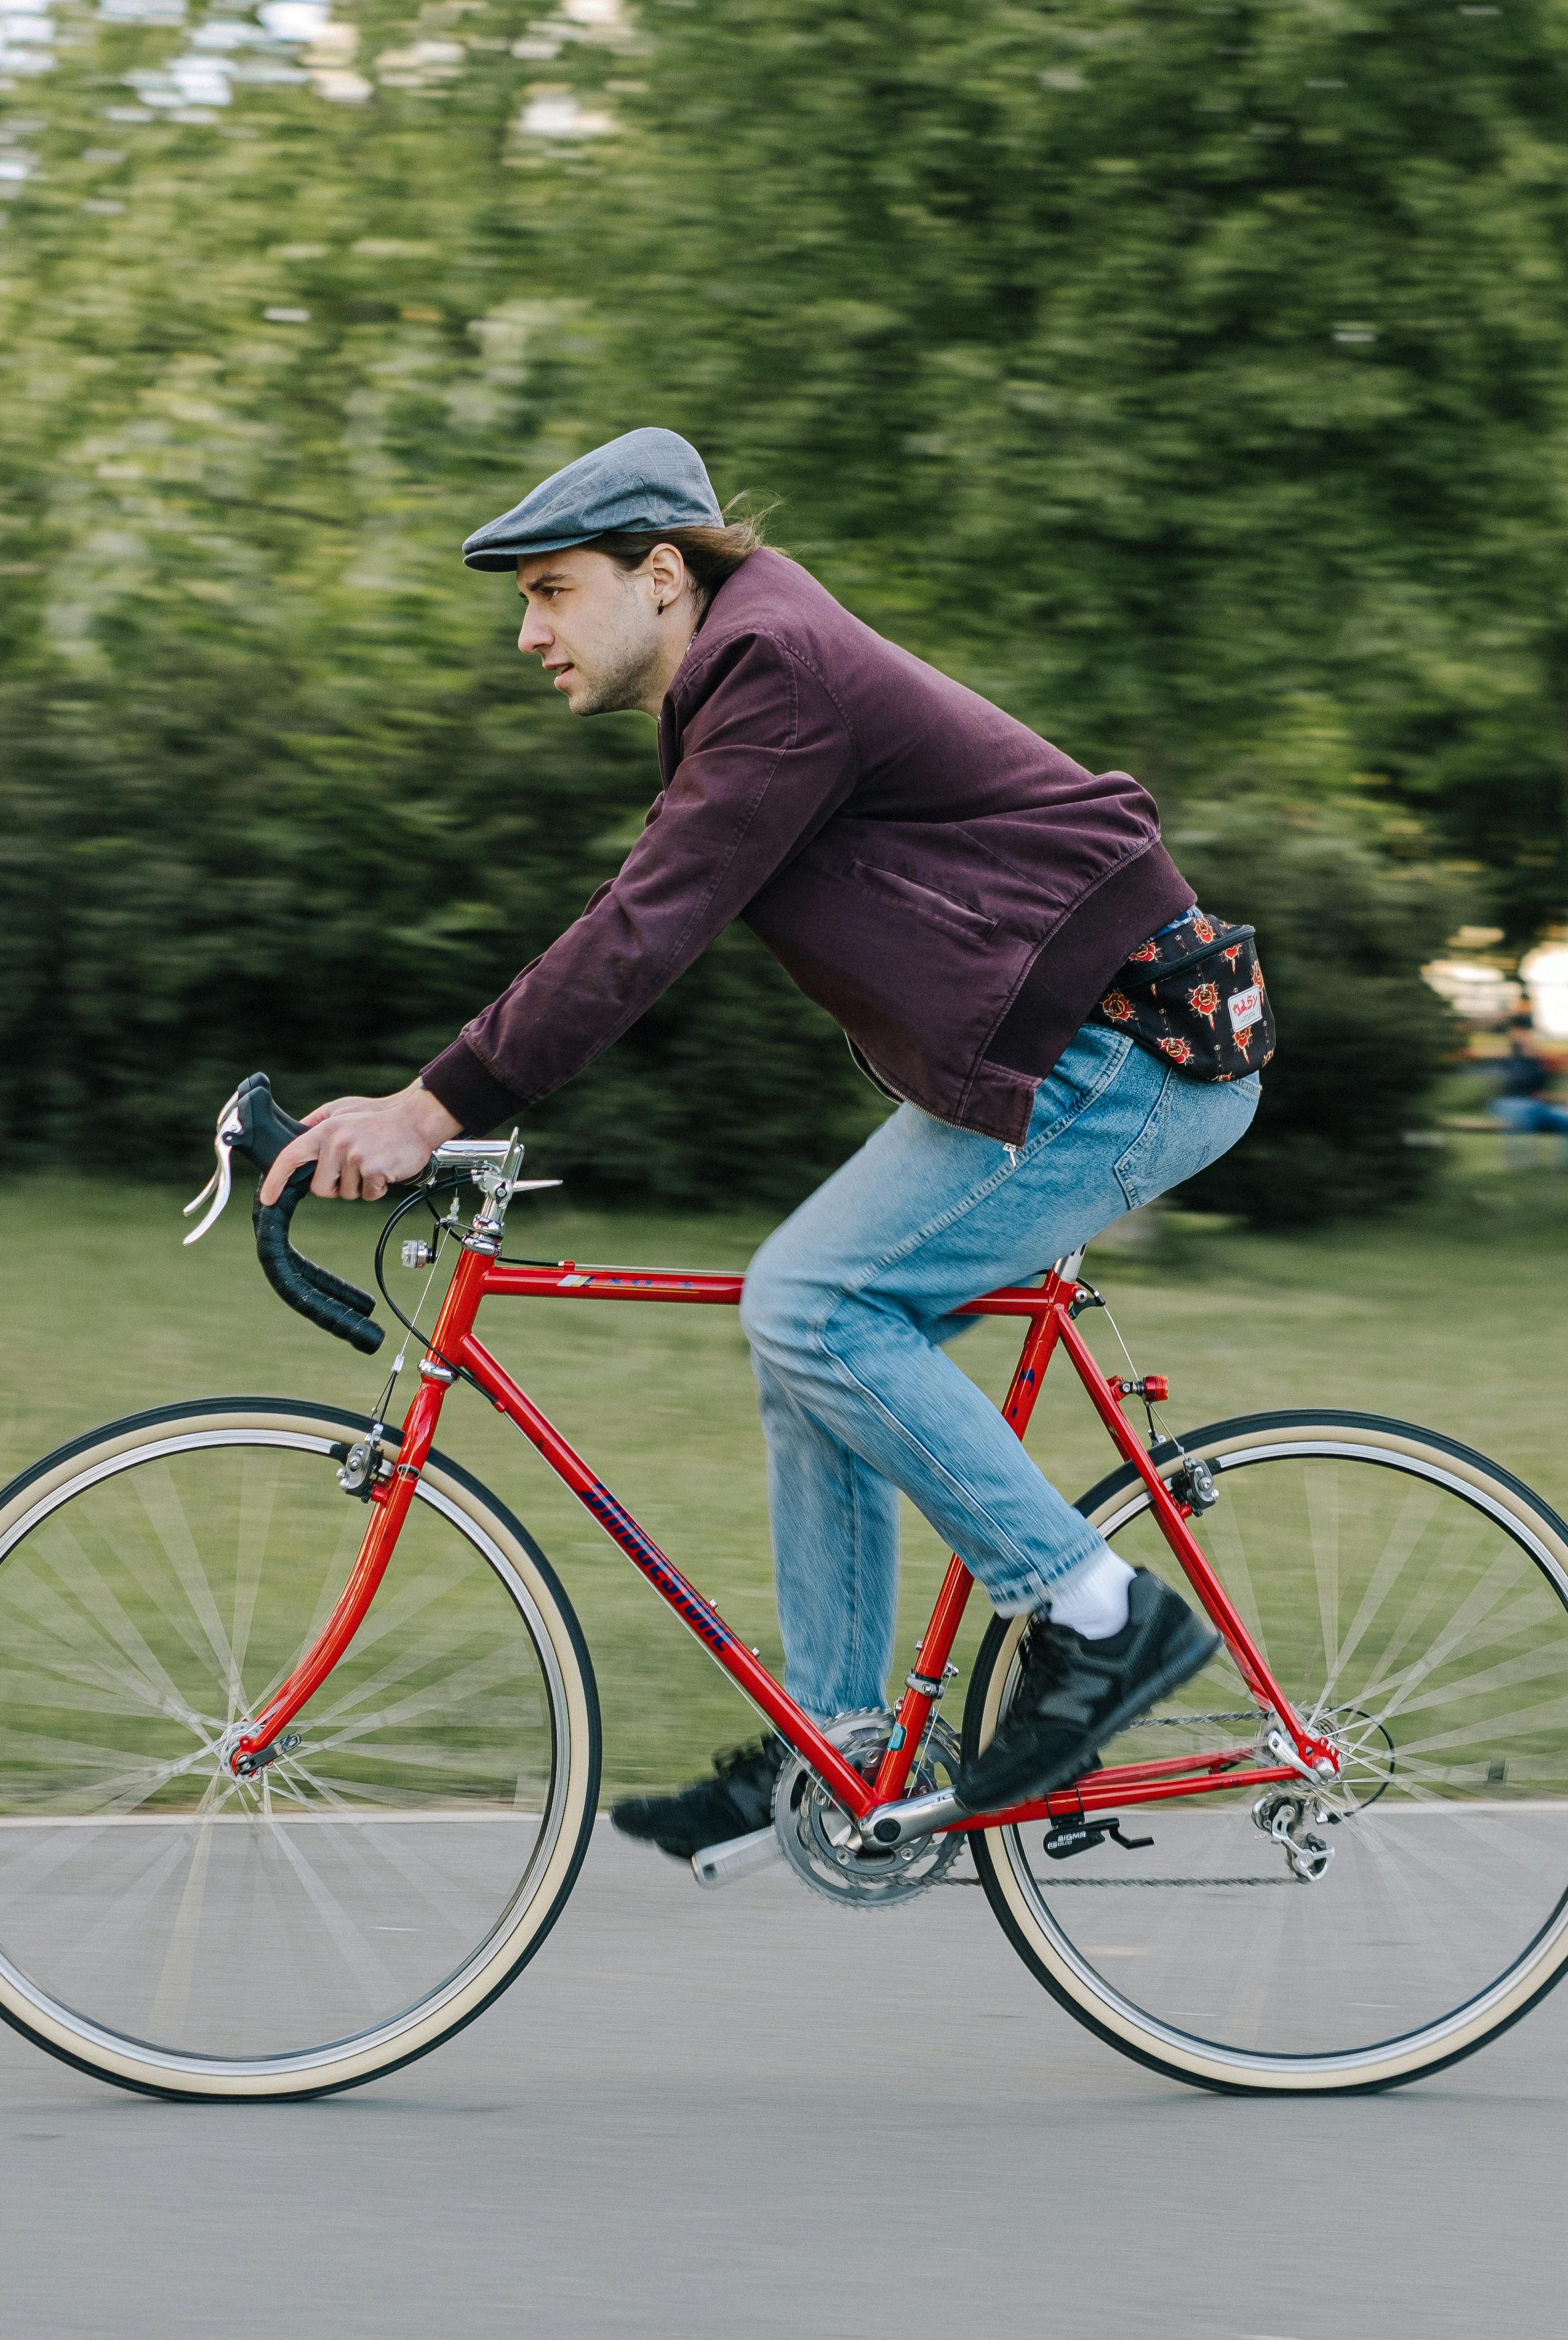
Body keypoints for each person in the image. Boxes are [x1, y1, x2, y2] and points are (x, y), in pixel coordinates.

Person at [263, 428, 1263, 1857]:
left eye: (551, 590)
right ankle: (844, 1750)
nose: (527, 631)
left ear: (661, 575)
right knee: (805, 1324)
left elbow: (645, 926)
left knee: (812, 1304)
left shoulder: (770, 669)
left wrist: (432, 1108)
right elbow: (656, 916)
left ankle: (1099, 1618)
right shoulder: (750, 671)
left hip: (1123, 1054)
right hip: (1061, 1050)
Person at [1488, 1014, 1568, 1168]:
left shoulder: (1536, 1057)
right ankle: (1520, 1163)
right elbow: (1508, 1083)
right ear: (1513, 1032)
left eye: (1528, 1032)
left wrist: (1537, 1059)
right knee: (1525, 1111)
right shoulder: (1505, 1054)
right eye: (1522, 1031)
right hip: (1510, 1103)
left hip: (1537, 1106)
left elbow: (1542, 1087)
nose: (1526, 1036)